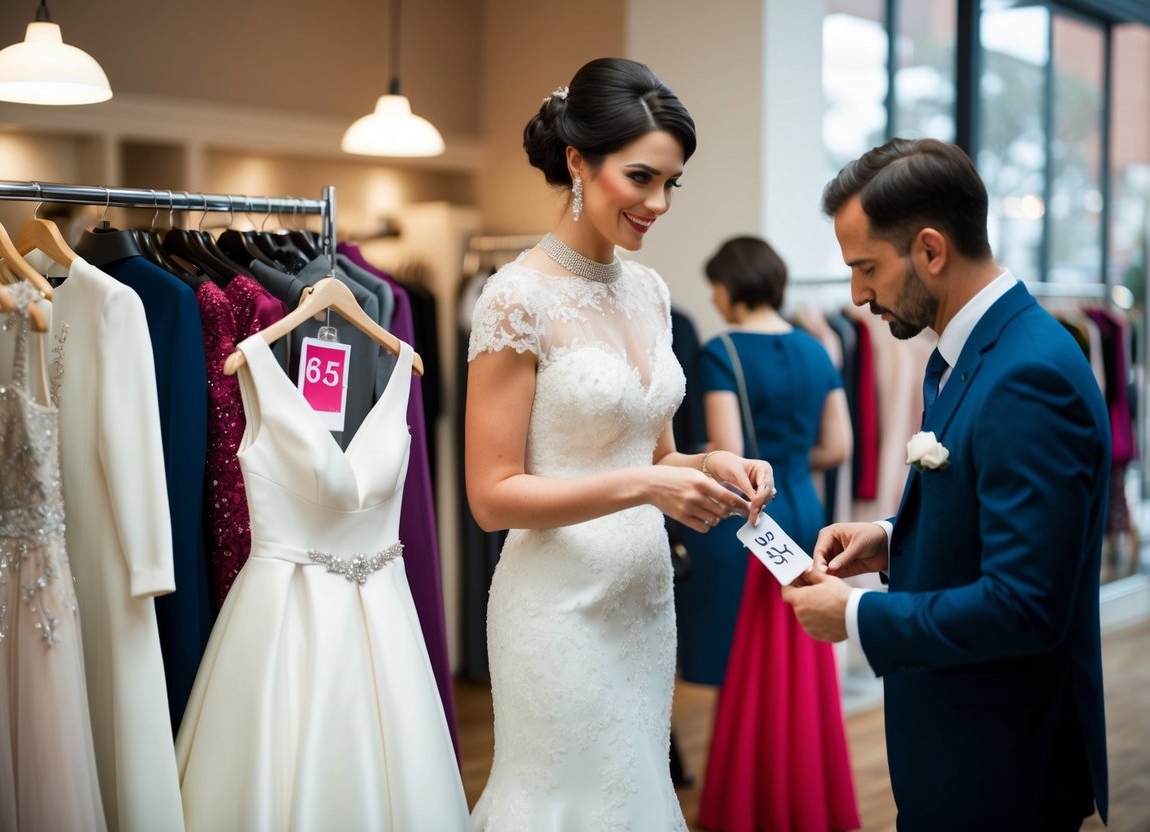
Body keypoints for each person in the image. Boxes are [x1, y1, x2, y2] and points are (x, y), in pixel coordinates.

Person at [464, 57, 775, 829]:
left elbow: (658, 454)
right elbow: (491, 497)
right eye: (641, 178)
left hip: (642, 600)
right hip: (555, 610)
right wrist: (644, 487)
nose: (658, 203)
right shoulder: (515, 297)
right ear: (577, 161)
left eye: (672, 183)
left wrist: (713, 463)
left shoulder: (650, 292)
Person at [783, 137, 1110, 831]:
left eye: (866, 267)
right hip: (959, 746)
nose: (856, 294)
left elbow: (1024, 605)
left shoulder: (1027, 376)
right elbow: (993, 519)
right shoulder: (970, 352)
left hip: (999, 767)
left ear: (930, 250)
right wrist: (893, 539)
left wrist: (853, 616)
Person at [681, 236, 859, 832]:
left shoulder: (720, 351)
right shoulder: (817, 349)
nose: (712, 296)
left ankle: (755, 801)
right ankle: (809, 796)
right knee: (802, 657)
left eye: (715, 284)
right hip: (805, 511)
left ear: (731, 286)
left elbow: (725, 450)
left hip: (754, 519)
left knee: (755, 659)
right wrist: (793, 459)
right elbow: (839, 446)